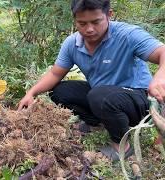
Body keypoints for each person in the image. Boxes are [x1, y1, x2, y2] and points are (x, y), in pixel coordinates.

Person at [18, 0, 165, 161]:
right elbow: (54, 74)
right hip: (103, 95)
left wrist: (160, 76)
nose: (89, 29)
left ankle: (122, 146)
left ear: (109, 15)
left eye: (96, 22)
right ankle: (98, 124)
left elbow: (162, 52)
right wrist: (31, 92)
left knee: (100, 95)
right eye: (82, 23)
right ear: (75, 20)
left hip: (137, 100)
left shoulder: (127, 35)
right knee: (60, 91)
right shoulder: (72, 43)